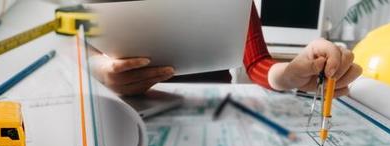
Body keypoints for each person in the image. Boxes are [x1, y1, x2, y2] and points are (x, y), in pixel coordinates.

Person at [90, 3, 362, 97]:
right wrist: (100, 72)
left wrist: (292, 74)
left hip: (213, 108)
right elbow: (70, 43)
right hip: (125, 113)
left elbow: (257, 64)